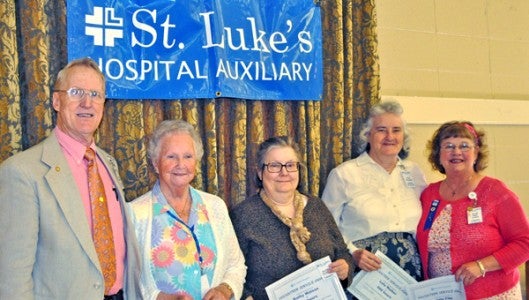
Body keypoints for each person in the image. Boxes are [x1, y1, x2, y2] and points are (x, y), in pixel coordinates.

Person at [0, 57, 140, 299]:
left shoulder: (108, 164)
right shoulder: (22, 172)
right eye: (76, 92)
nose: (87, 102)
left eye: (96, 94)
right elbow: (13, 278)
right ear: (56, 100)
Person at [127, 119, 246, 300]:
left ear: (196, 162)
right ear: (155, 163)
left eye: (188, 156)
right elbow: (130, 280)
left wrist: (224, 289)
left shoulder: (216, 206)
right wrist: (161, 298)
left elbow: (236, 265)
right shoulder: (135, 214)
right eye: (171, 156)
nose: (180, 164)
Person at [230, 136, 354, 300]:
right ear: (260, 172)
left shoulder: (317, 207)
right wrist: (246, 297)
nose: (284, 173)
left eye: (290, 165)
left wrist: (345, 268)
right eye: (274, 166)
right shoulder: (243, 215)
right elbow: (231, 269)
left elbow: (343, 252)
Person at [416, 121, 529, 299]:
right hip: (442, 295)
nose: (456, 152)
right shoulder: (428, 194)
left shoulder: (495, 191)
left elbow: (525, 243)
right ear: (438, 155)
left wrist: (482, 266)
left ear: (476, 153)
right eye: (449, 146)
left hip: (493, 295)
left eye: (464, 145)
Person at [321, 101, 426, 282]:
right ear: (368, 135)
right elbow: (325, 227)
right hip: (365, 273)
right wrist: (352, 253)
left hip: (410, 274)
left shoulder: (415, 172)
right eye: (381, 130)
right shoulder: (344, 174)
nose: (389, 136)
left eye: (396, 130)